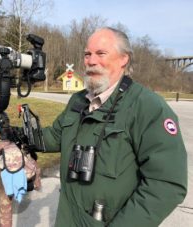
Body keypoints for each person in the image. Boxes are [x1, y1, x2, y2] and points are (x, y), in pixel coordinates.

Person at [41, 27, 187, 226]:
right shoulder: (78, 100)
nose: (91, 61)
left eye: (101, 53)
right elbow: (55, 135)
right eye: (87, 54)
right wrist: (20, 135)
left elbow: (166, 184)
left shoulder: (147, 106)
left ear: (123, 59)